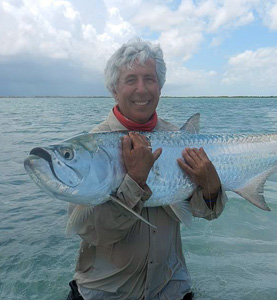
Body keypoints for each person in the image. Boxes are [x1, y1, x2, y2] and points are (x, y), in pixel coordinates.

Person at [66, 38, 227, 300]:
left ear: (160, 88)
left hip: (171, 289)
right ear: (114, 89)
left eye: (150, 79)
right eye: (131, 80)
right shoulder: (91, 147)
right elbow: (94, 232)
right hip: (106, 293)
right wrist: (135, 180)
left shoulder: (178, 138)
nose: (142, 89)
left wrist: (211, 188)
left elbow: (204, 213)